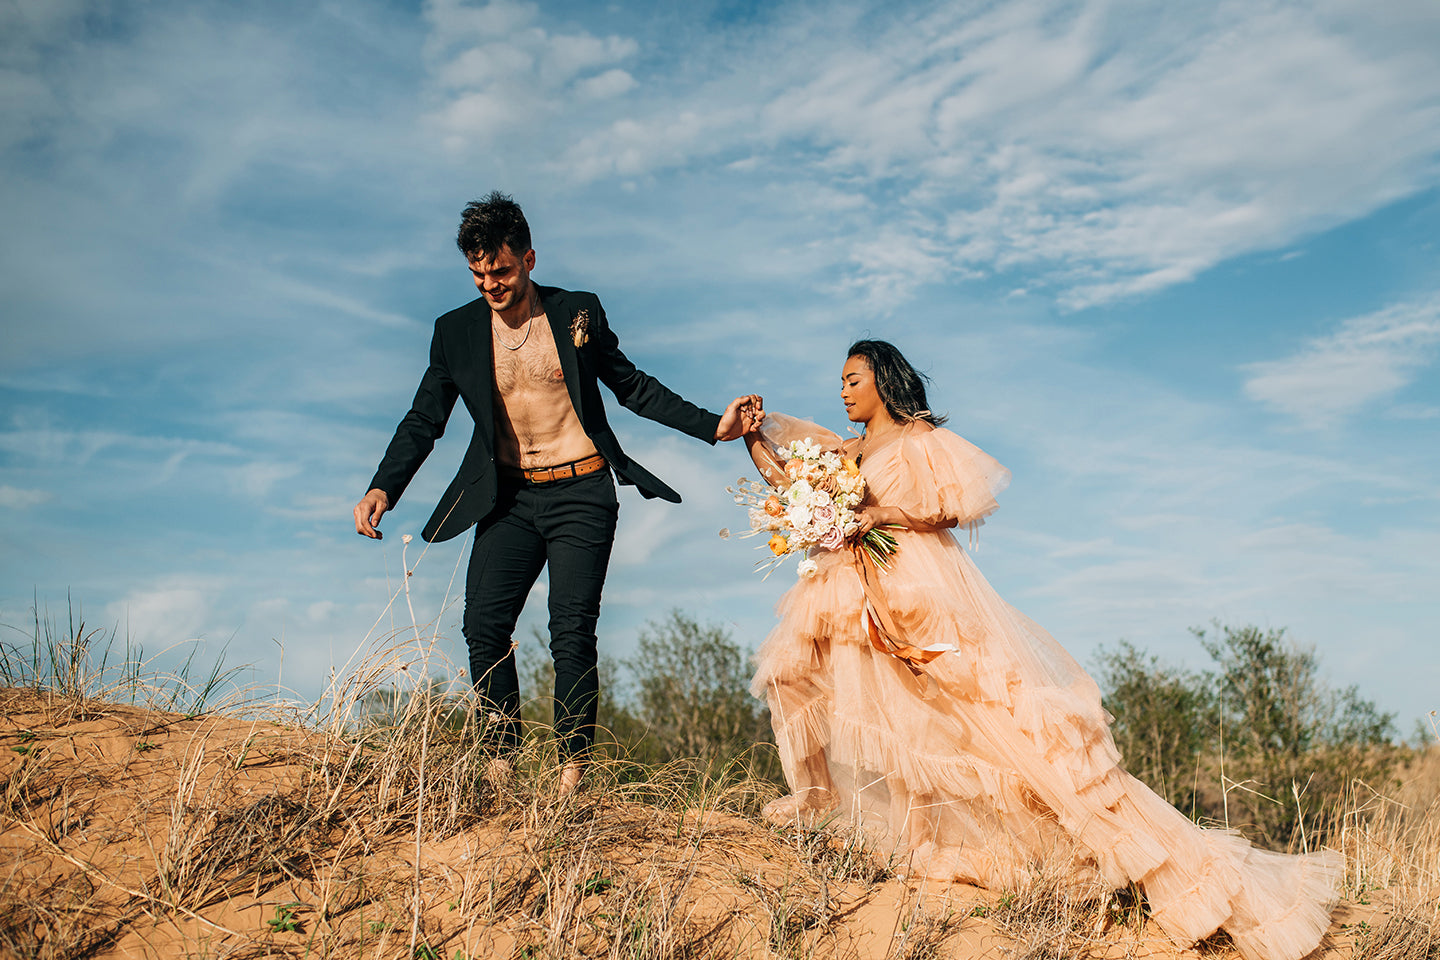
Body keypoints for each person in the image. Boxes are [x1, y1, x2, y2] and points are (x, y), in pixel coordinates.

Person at [741, 339, 1340, 960]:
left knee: (960, 715)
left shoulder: (919, 440)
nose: (842, 391)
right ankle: (823, 807)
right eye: (839, 381)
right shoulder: (848, 450)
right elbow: (794, 485)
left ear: (883, 381)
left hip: (914, 587)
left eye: (853, 379)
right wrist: (754, 437)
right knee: (807, 679)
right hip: (847, 587)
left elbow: (947, 510)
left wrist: (880, 516)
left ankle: (1128, 851)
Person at [354, 192, 760, 796]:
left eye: (502, 270)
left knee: (571, 626)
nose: (491, 283)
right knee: (482, 625)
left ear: (529, 259)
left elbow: (631, 386)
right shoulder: (455, 332)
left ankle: (573, 772)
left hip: (582, 490)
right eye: (479, 273)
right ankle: (499, 757)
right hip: (509, 497)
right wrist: (384, 484)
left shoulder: (577, 312)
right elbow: (424, 418)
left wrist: (712, 426)